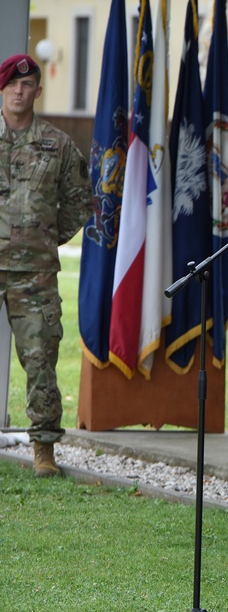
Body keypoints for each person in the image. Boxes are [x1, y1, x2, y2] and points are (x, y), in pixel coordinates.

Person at [0, 53, 90, 476]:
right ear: (3, 89)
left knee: (40, 361)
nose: (20, 91)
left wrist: (44, 238)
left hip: (33, 273)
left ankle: (43, 451)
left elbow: (79, 201)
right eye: (13, 85)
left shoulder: (58, 143)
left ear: (38, 89)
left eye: (28, 84)